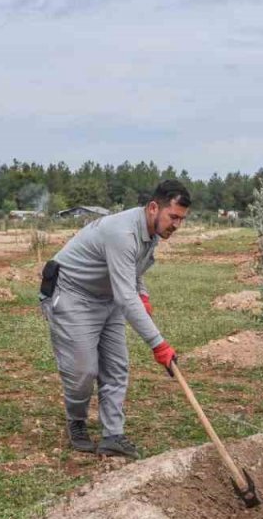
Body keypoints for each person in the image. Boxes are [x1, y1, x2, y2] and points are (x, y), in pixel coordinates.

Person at [39, 179, 189, 458]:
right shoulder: (122, 232)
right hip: (73, 293)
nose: (177, 225)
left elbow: (134, 270)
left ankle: (113, 436)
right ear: (154, 208)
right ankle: (77, 420)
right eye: (174, 217)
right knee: (82, 371)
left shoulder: (152, 231)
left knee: (116, 367)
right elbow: (125, 296)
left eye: (182, 219)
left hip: (106, 297)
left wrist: (142, 293)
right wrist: (159, 344)